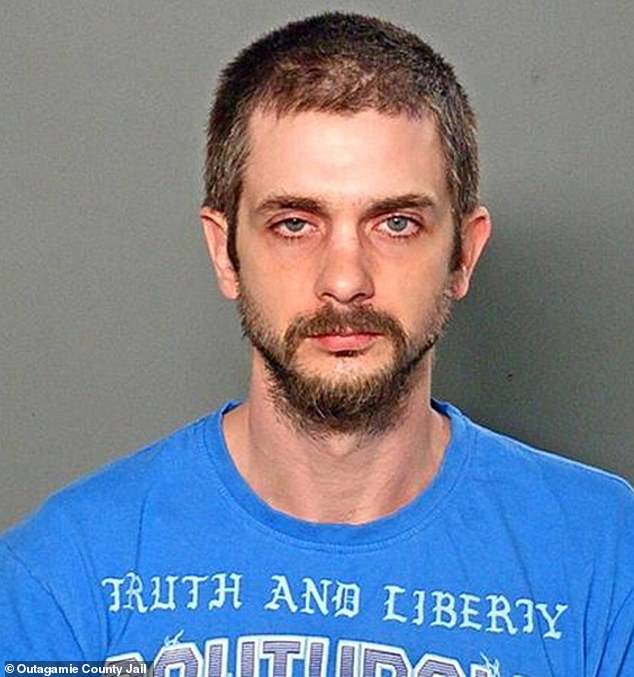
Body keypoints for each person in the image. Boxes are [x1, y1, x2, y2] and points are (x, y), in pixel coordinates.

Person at [1, 11, 632, 676]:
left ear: (463, 254)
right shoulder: (62, 577)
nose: (345, 280)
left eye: (396, 223)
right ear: (224, 251)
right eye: (295, 224)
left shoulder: (606, 558)